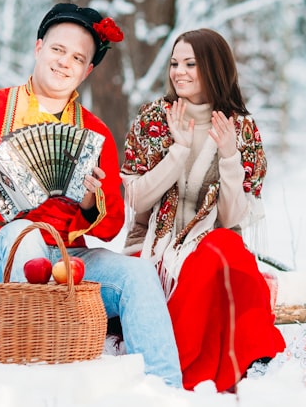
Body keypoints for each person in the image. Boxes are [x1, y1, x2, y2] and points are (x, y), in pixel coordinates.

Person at [0, 3, 182, 387]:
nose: (64, 63)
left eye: (78, 58)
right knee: (24, 235)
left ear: (87, 70)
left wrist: (91, 202)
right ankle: (43, 385)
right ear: (39, 47)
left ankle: (165, 389)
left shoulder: (94, 135)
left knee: (137, 272)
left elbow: (111, 229)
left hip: (63, 260)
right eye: (58, 50)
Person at [120, 28, 286, 392]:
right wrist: (177, 152)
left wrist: (229, 157)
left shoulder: (240, 128)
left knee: (224, 249)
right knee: (219, 255)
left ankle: (245, 358)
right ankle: (183, 360)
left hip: (211, 245)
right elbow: (135, 200)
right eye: (175, 63)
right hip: (154, 246)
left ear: (213, 67)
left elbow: (230, 218)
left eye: (190, 64)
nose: (179, 72)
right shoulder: (153, 119)